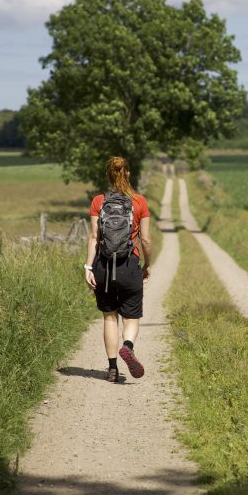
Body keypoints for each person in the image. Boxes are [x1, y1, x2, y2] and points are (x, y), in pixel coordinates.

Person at [85, 156, 152, 383]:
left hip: (103, 266)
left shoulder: (98, 201)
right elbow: (146, 240)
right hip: (129, 265)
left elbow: (94, 236)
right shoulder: (140, 202)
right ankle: (128, 346)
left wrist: (88, 267)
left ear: (108, 175)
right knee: (131, 317)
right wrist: (148, 264)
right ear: (128, 174)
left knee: (109, 317)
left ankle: (112, 368)